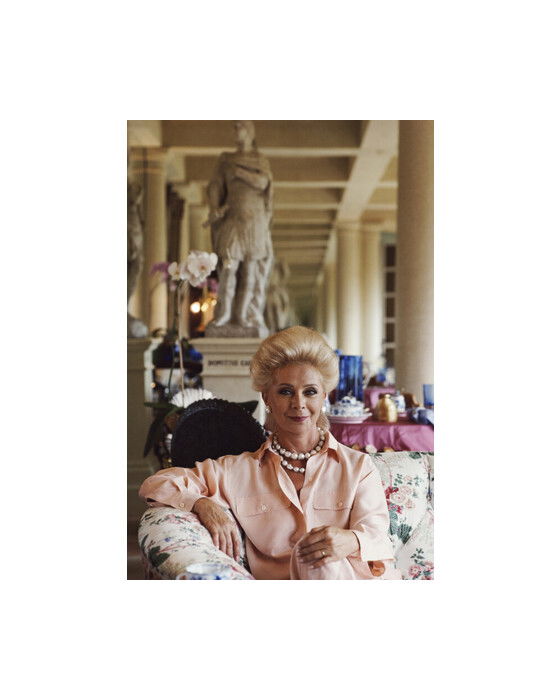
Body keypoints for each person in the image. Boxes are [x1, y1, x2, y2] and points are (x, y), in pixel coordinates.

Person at [139, 326, 400, 580]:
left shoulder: (358, 467)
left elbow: (377, 535)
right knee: (313, 559)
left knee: (321, 560)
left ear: (324, 396)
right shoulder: (235, 471)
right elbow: (157, 483)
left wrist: (349, 540)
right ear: (267, 398)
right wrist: (201, 504)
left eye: (310, 392)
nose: (299, 403)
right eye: (285, 392)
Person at [204, 120, 273, 331]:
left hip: (255, 222)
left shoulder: (260, 159)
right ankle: (224, 314)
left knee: (250, 271)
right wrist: (214, 206)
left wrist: (240, 173)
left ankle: (243, 315)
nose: (236, 131)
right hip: (232, 218)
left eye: (240, 127)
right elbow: (215, 186)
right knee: (228, 268)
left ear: (250, 132)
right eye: (234, 127)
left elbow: (263, 183)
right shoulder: (225, 159)